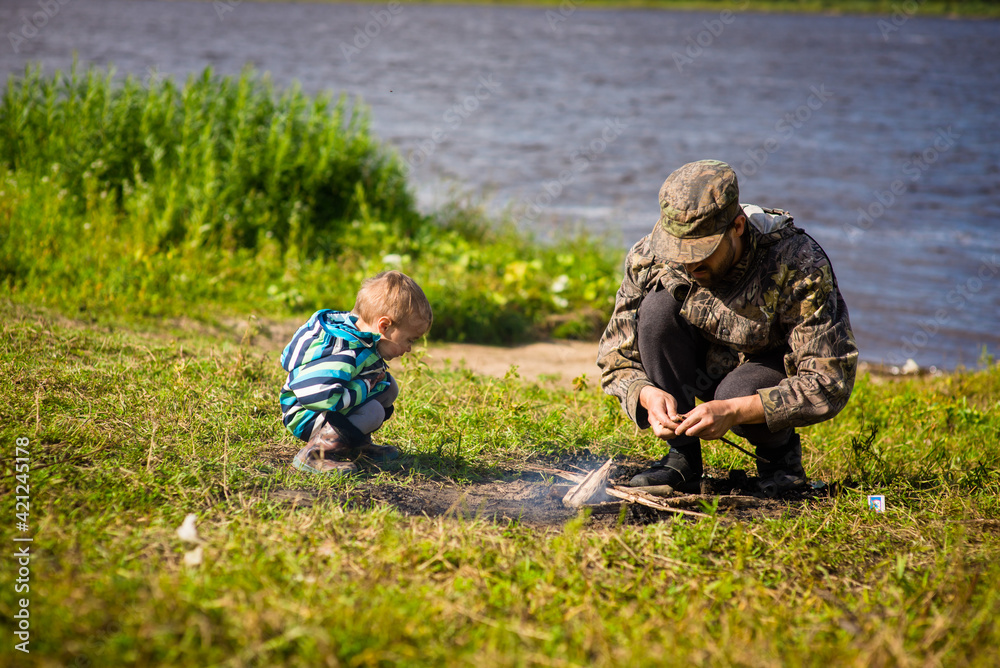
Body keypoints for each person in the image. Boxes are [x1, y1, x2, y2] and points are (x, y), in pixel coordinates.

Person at [597, 159, 858, 493]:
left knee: (737, 391)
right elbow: (614, 353)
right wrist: (645, 394)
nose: (689, 262)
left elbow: (829, 381)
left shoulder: (798, 262)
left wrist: (734, 410)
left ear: (737, 227)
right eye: (680, 249)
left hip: (763, 377)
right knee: (657, 310)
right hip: (702, 366)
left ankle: (779, 460)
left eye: (701, 250)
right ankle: (682, 460)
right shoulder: (651, 255)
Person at [279, 270, 433, 474]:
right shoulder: (346, 352)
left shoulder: (363, 337)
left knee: (389, 387)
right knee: (374, 412)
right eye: (409, 340)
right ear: (384, 326)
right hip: (305, 413)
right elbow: (318, 397)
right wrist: (365, 386)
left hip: (328, 406)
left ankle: (354, 444)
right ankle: (315, 454)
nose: (410, 348)